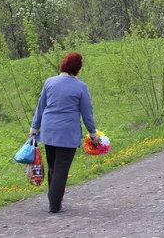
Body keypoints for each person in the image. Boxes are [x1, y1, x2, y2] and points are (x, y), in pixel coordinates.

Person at [29, 52, 100, 214]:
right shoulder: (81, 87)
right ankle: (54, 204)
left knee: (53, 167)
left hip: (48, 132)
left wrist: (34, 129)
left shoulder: (49, 82)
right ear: (77, 69)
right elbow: (87, 113)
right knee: (61, 169)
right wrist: (93, 134)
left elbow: (41, 107)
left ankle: (53, 201)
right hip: (67, 134)